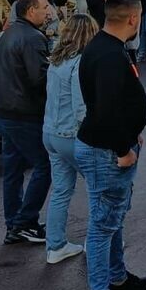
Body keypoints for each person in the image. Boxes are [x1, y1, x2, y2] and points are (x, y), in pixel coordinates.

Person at [75, 0, 146, 290]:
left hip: (106, 145)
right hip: (106, 152)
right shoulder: (108, 54)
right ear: (134, 18)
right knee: (103, 226)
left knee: (111, 218)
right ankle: (101, 287)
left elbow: (114, 102)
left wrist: (132, 133)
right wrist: (123, 148)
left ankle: (117, 277)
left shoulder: (106, 46)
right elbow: (106, 109)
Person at [0, 0, 53, 244]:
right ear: (31, 11)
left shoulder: (10, 33)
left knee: (13, 169)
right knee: (44, 164)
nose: (48, 12)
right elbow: (39, 78)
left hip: (4, 110)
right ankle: (24, 221)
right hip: (24, 112)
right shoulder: (32, 37)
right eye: (45, 7)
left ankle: (14, 223)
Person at [42, 14, 98, 265]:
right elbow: (81, 106)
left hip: (51, 131)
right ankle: (95, 242)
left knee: (61, 191)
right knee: (99, 189)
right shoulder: (80, 62)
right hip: (71, 134)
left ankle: (55, 245)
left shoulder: (57, 58)